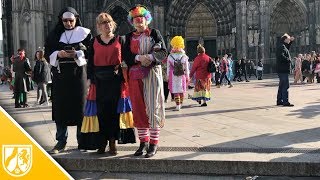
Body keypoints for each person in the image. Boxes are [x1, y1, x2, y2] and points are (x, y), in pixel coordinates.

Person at [85, 12, 135, 155]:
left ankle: (112, 141)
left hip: (115, 80)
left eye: (108, 22)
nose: (106, 25)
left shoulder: (121, 40)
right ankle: (102, 141)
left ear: (113, 24)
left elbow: (128, 59)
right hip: (98, 81)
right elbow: (90, 63)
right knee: (100, 112)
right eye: (103, 23)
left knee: (114, 112)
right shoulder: (93, 41)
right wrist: (89, 79)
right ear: (98, 26)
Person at [44, 7, 92, 154]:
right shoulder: (54, 35)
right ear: (61, 20)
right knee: (61, 109)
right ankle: (61, 141)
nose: (68, 23)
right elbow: (47, 53)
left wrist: (76, 54)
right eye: (65, 20)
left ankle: (82, 141)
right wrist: (59, 53)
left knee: (80, 109)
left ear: (76, 19)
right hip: (60, 78)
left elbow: (91, 52)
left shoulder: (86, 33)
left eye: (71, 20)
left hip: (79, 77)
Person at [123, 5, 167, 158]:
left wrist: (151, 58)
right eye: (136, 21)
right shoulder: (129, 37)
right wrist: (138, 58)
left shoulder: (155, 33)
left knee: (153, 106)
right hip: (135, 75)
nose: (139, 23)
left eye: (141, 21)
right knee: (139, 108)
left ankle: (154, 143)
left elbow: (163, 51)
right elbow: (126, 55)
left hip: (152, 74)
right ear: (132, 22)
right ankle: (143, 142)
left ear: (147, 20)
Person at [167, 36, 189, 111]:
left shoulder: (170, 56)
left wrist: (167, 76)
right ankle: (180, 103)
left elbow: (168, 67)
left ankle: (177, 105)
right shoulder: (184, 56)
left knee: (176, 90)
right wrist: (187, 76)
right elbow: (187, 68)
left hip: (173, 75)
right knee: (181, 90)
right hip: (181, 74)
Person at [276, 33, 294, 107]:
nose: (289, 40)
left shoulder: (282, 45)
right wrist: (289, 60)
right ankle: (285, 101)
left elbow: (287, 48)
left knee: (281, 85)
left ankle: (279, 100)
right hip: (283, 69)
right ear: (285, 39)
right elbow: (281, 56)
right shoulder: (281, 46)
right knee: (285, 85)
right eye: (288, 39)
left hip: (281, 69)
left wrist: (291, 41)